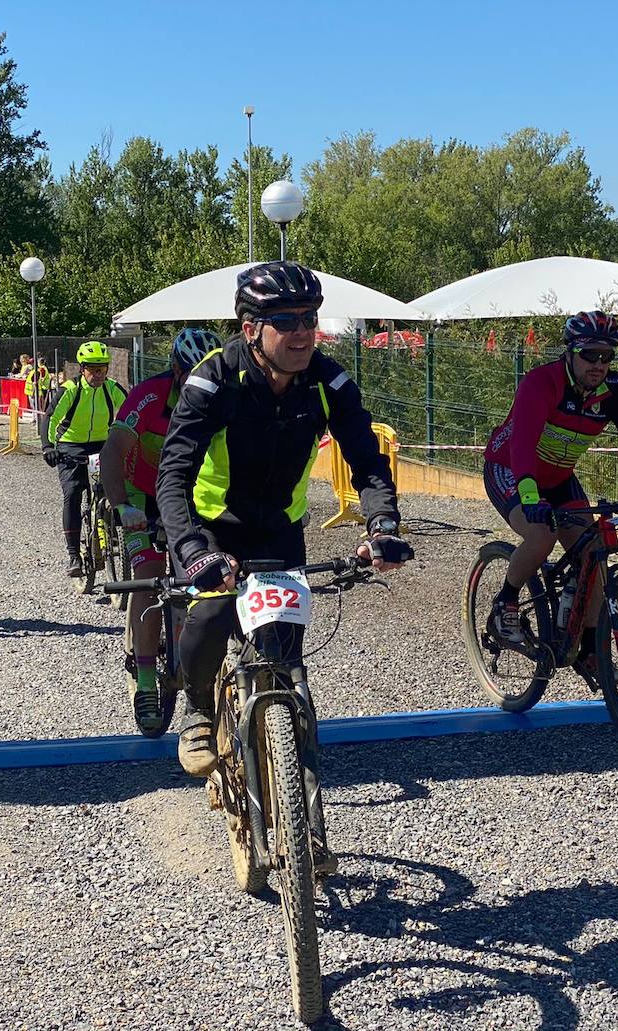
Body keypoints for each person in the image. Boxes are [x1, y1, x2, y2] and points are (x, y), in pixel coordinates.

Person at [156, 261, 413, 793]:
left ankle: (298, 800)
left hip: (279, 528)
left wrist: (382, 522)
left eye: (310, 318)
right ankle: (199, 709)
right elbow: (174, 473)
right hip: (212, 526)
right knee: (211, 614)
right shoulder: (213, 380)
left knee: (284, 657)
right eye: (287, 320)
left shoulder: (328, 381)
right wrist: (190, 549)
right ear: (251, 329)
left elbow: (366, 459)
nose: (303, 332)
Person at [482, 310, 618, 683]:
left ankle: (590, 651)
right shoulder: (541, 383)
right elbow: (523, 443)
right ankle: (507, 602)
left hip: (560, 478)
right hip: (512, 469)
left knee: (595, 550)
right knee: (541, 535)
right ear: (569, 352)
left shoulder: (615, 391)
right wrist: (530, 497)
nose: (599, 363)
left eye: (607, 355)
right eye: (590, 354)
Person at [100, 327, 222, 733]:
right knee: (149, 578)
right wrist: (122, 504)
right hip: (143, 497)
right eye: (190, 374)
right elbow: (113, 451)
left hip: (190, 499)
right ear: (174, 368)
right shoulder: (150, 396)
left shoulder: (223, 395)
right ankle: (147, 679)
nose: (198, 383)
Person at [44, 340, 127, 577]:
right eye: (93, 369)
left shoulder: (112, 389)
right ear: (82, 369)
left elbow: (134, 412)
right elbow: (50, 418)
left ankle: (116, 532)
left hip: (102, 443)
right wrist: (49, 446)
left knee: (116, 488)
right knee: (72, 493)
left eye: (103, 369)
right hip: (71, 445)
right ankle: (73, 555)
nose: (99, 374)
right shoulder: (71, 390)